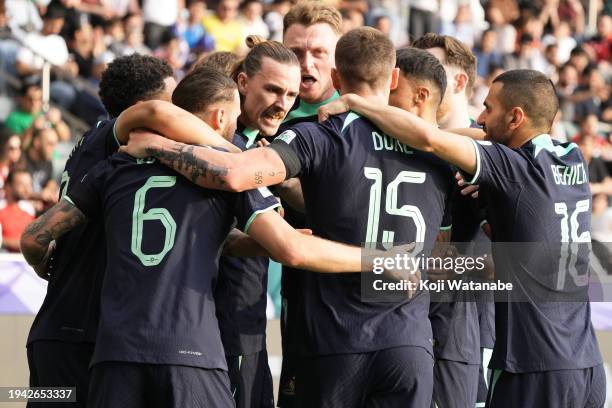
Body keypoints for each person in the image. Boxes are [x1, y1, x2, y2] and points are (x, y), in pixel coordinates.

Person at [20, 68, 394, 407]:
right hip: (189, 354)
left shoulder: (111, 163)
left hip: (100, 351)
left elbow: (33, 239)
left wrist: (45, 265)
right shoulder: (229, 174)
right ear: (219, 118)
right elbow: (291, 248)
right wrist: (377, 259)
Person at [122, 27, 454, 407]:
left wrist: (159, 144)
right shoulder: (442, 153)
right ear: (393, 78)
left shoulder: (317, 137)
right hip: (409, 345)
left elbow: (237, 174)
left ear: (334, 77)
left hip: (334, 342)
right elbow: (448, 257)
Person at [318, 68, 606, 408]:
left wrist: (358, 105)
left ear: (516, 117)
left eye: (489, 108)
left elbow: (430, 140)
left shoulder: (513, 168)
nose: (481, 118)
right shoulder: (571, 158)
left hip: (534, 368)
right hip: (586, 364)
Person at [24, 54, 236, 408]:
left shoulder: (87, 147)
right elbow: (155, 115)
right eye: (174, 106)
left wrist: (46, 263)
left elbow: (35, 240)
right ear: (140, 108)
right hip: (83, 337)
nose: (180, 116)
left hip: (54, 332)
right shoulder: (117, 139)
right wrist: (236, 156)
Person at [413, 32, 492, 408]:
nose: (420, 80)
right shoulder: (403, 145)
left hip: (475, 327)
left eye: (433, 70)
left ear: (459, 81)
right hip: (403, 322)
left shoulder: (498, 149)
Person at [276, 4, 343, 405]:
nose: (305, 63)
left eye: (318, 52)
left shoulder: (368, 119)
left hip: (362, 293)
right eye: (295, 52)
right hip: (297, 292)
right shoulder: (266, 116)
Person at [0, 169, 35, 252]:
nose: (27, 189)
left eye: (29, 184)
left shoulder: (29, 209)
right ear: (8, 187)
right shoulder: (1, 209)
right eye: (22, 185)